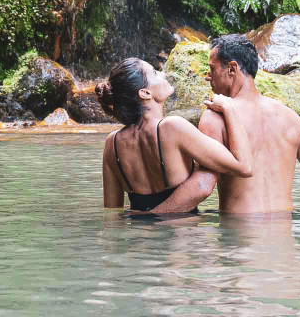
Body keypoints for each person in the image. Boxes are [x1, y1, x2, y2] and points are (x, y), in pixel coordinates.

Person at [165, 34, 300, 214]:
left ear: (232, 68)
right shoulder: (291, 118)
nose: (208, 76)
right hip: (283, 240)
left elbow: (202, 186)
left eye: (212, 69)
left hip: (242, 239)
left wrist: (150, 216)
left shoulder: (216, 117)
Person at [100, 57, 255, 213]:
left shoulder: (112, 143)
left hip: (137, 235)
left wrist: (148, 220)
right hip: (181, 235)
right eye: (155, 73)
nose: (163, 74)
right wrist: (229, 108)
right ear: (145, 93)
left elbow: (112, 212)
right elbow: (244, 167)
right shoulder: (172, 127)